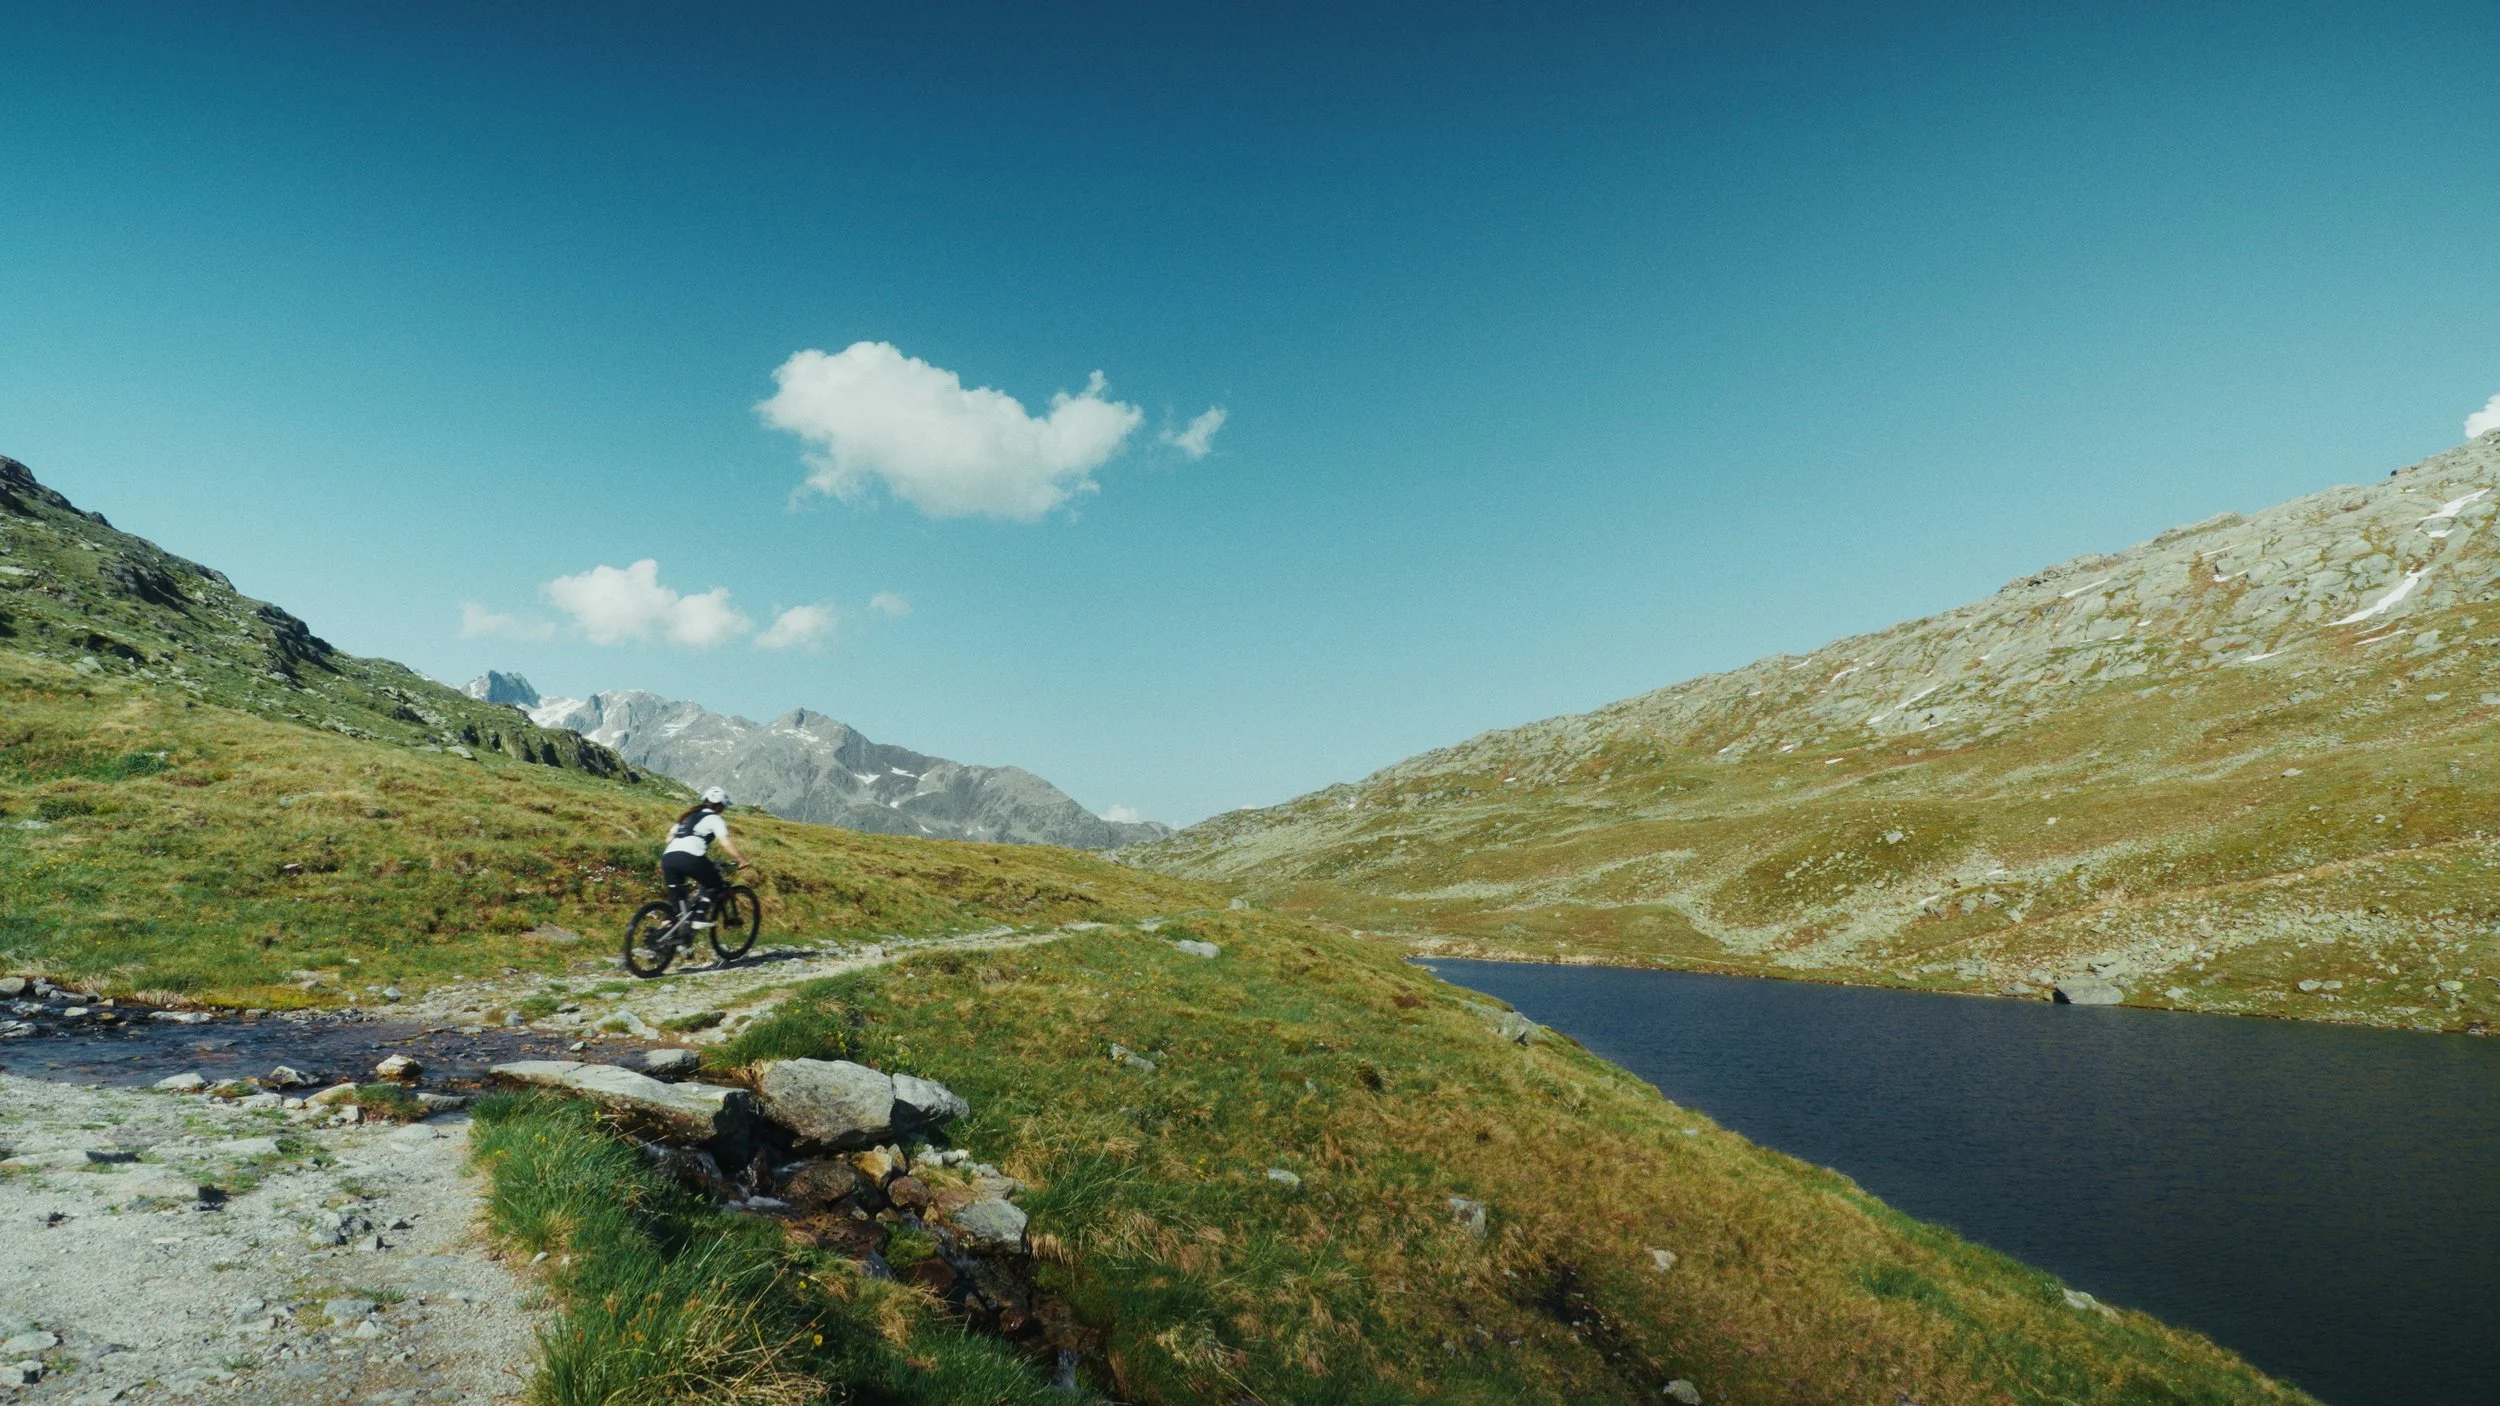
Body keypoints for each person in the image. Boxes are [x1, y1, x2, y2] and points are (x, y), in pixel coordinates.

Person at [661, 787, 746, 918]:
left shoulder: (687, 816)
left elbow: (668, 838)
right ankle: (699, 916)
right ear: (719, 806)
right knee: (716, 885)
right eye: (723, 807)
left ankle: (667, 928)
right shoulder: (714, 819)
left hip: (668, 857)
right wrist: (741, 859)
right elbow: (726, 843)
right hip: (691, 857)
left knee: (678, 903)